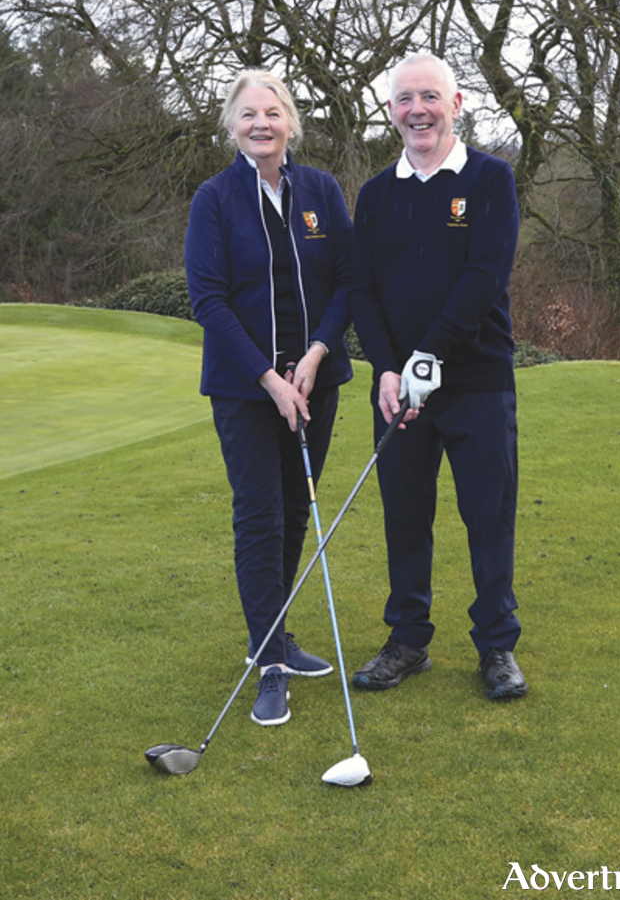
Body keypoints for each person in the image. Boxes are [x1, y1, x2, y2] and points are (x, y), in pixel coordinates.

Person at [350, 52, 527, 700]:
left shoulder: (490, 179)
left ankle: (497, 645)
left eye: (429, 97)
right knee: (405, 515)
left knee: (487, 515)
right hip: (399, 389)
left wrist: (429, 355)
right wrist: (387, 367)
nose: (417, 109)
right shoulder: (375, 194)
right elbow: (362, 289)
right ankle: (408, 640)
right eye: (405, 99)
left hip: (478, 380)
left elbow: (484, 277)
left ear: (455, 104)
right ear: (391, 111)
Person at [185, 70, 353, 726]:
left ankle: (273, 636)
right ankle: (271, 666)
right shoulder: (215, 198)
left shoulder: (321, 191)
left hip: (316, 381)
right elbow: (209, 300)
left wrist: (316, 354)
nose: (261, 123)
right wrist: (269, 378)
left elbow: (348, 280)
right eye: (249, 113)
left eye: (273, 112)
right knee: (260, 517)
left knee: (293, 511)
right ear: (232, 125)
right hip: (245, 389)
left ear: (290, 123)